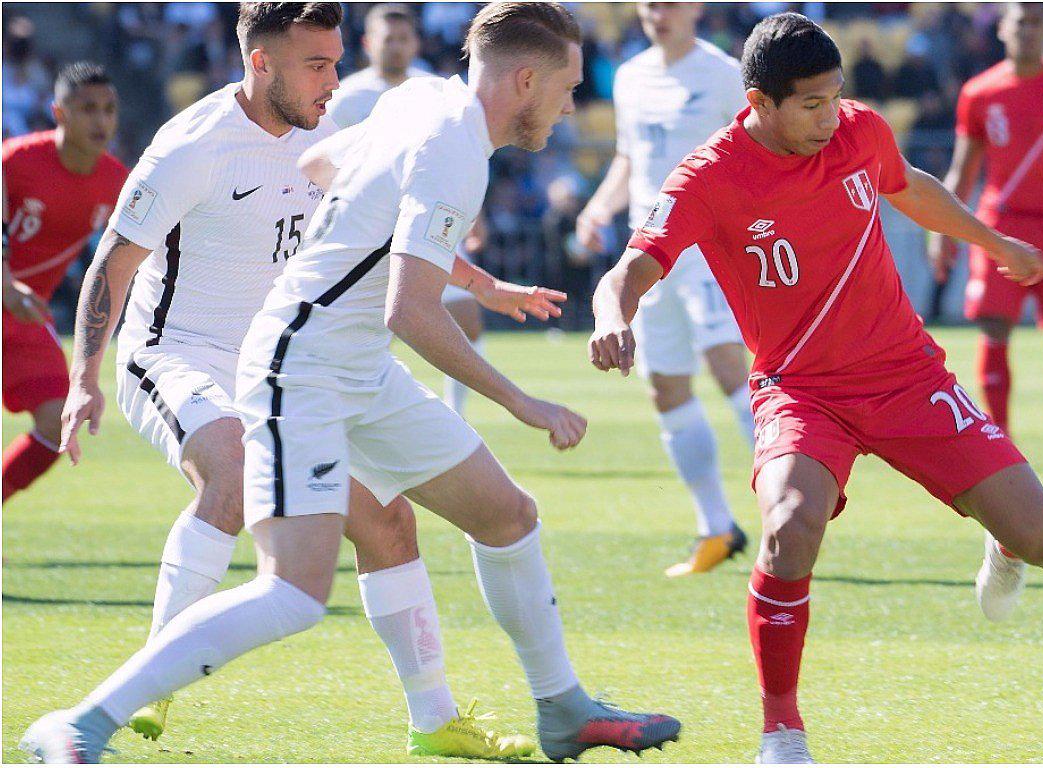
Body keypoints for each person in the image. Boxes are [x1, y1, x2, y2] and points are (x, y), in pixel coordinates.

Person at [22, 3, 680, 764]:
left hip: (355, 361)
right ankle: (82, 723)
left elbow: (318, 171)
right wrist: (521, 401)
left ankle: (561, 707)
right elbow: (412, 310)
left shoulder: (424, 97)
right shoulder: (455, 153)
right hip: (297, 367)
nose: (572, 105)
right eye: (567, 86)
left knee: (507, 516)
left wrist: (456, 271)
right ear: (526, 79)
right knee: (294, 593)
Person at [589, 13, 1043, 763]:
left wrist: (994, 242)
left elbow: (909, 187)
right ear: (759, 101)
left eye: (834, 97)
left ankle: (1004, 542)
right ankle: (781, 729)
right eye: (810, 104)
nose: (829, 115)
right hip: (801, 392)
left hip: (907, 375)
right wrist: (610, 317)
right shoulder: (709, 177)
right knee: (786, 524)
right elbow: (632, 268)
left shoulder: (860, 131)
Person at [576, 1, 754, 577]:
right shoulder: (631, 76)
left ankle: (789, 506)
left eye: (670, 2)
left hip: (709, 249)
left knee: (731, 368)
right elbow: (630, 158)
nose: (658, 12)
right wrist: (599, 207)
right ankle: (716, 528)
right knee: (665, 385)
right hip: (649, 253)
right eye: (649, 3)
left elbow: (750, 158)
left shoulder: (725, 74)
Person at [932, 2, 1043, 461]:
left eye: (1037, 23)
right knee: (994, 326)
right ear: (1002, 29)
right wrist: (942, 230)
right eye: (1020, 22)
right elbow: (962, 168)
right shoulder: (980, 91)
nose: (1028, 31)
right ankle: (1002, 441)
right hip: (1001, 222)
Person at [328, 2, 488, 417]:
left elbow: (462, 156)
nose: (397, 47)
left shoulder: (435, 91)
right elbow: (322, 162)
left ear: (416, 42)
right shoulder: (346, 99)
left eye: (404, 39)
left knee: (465, 316)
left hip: (430, 221)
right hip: (367, 229)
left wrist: (477, 216)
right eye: (388, 39)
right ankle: (354, 405)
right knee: (374, 322)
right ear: (367, 44)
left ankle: (457, 414)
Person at [2, 62, 126, 502]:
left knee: (58, 422)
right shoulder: (15, 161)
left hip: (25, 315)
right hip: (9, 299)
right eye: (88, 108)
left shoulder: (116, 181)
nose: (101, 120)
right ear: (60, 112)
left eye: (109, 109)